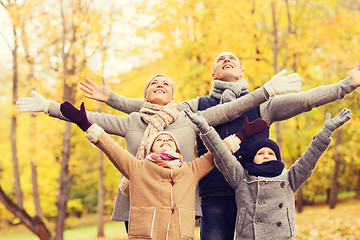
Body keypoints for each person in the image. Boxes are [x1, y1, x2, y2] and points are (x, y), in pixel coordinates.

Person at [82, 53, 360, 239]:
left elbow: (307, 100)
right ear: (213, 73)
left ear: (242, 71)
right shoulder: (196, 107)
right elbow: (156, 106)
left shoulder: (265, 103)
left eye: (233, 59)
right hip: (214, 196)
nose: (226, 59)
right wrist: (112, 99)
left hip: (256, 195)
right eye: (220, 59)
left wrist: (346, 85)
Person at [16, 72, 300, 232]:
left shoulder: (189, 118)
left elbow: (231, 109)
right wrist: (48, 107)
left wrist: (266, 91)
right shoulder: (131, 121)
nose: (160, 84)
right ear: (145, 95)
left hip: (182, 203)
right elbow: (88, 122)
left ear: (174, 96)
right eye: (154, 83)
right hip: (139, 202)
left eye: (166, 82)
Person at [58, 100, 268, 239]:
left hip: (181, 234)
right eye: (160, 140)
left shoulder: (189, 169)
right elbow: (110, 146)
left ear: (177, 148)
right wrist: (85, 123)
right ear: (151, 147)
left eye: (169, 139)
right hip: (146, 234)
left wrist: (242, 135)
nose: (166, 141)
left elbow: (217, 154)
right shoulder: (137, 168)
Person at [184, 107, 352, 239]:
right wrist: (205, 127)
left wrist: (326, 131)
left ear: (277, 158)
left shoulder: (289, 178)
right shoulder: (242, 177)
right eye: (261, 153)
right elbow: (221, 154)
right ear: (252, 159)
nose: (266, 156)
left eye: (271, 153)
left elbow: (309, 158)